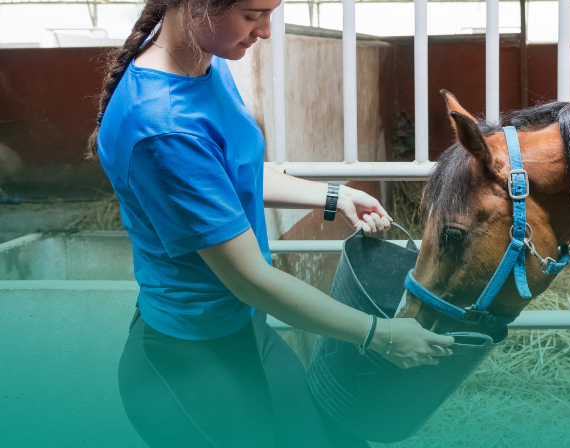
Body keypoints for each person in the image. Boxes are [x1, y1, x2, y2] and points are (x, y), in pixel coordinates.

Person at [87, 0, 454, 446]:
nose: (264, 30)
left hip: (244, 325)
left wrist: (334, 195)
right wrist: (382, 335)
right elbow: (250, 279)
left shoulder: (204, 63)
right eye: (251, 15)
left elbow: (230, 173)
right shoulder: (162, 126)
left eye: (271, 12)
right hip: (191, 351)